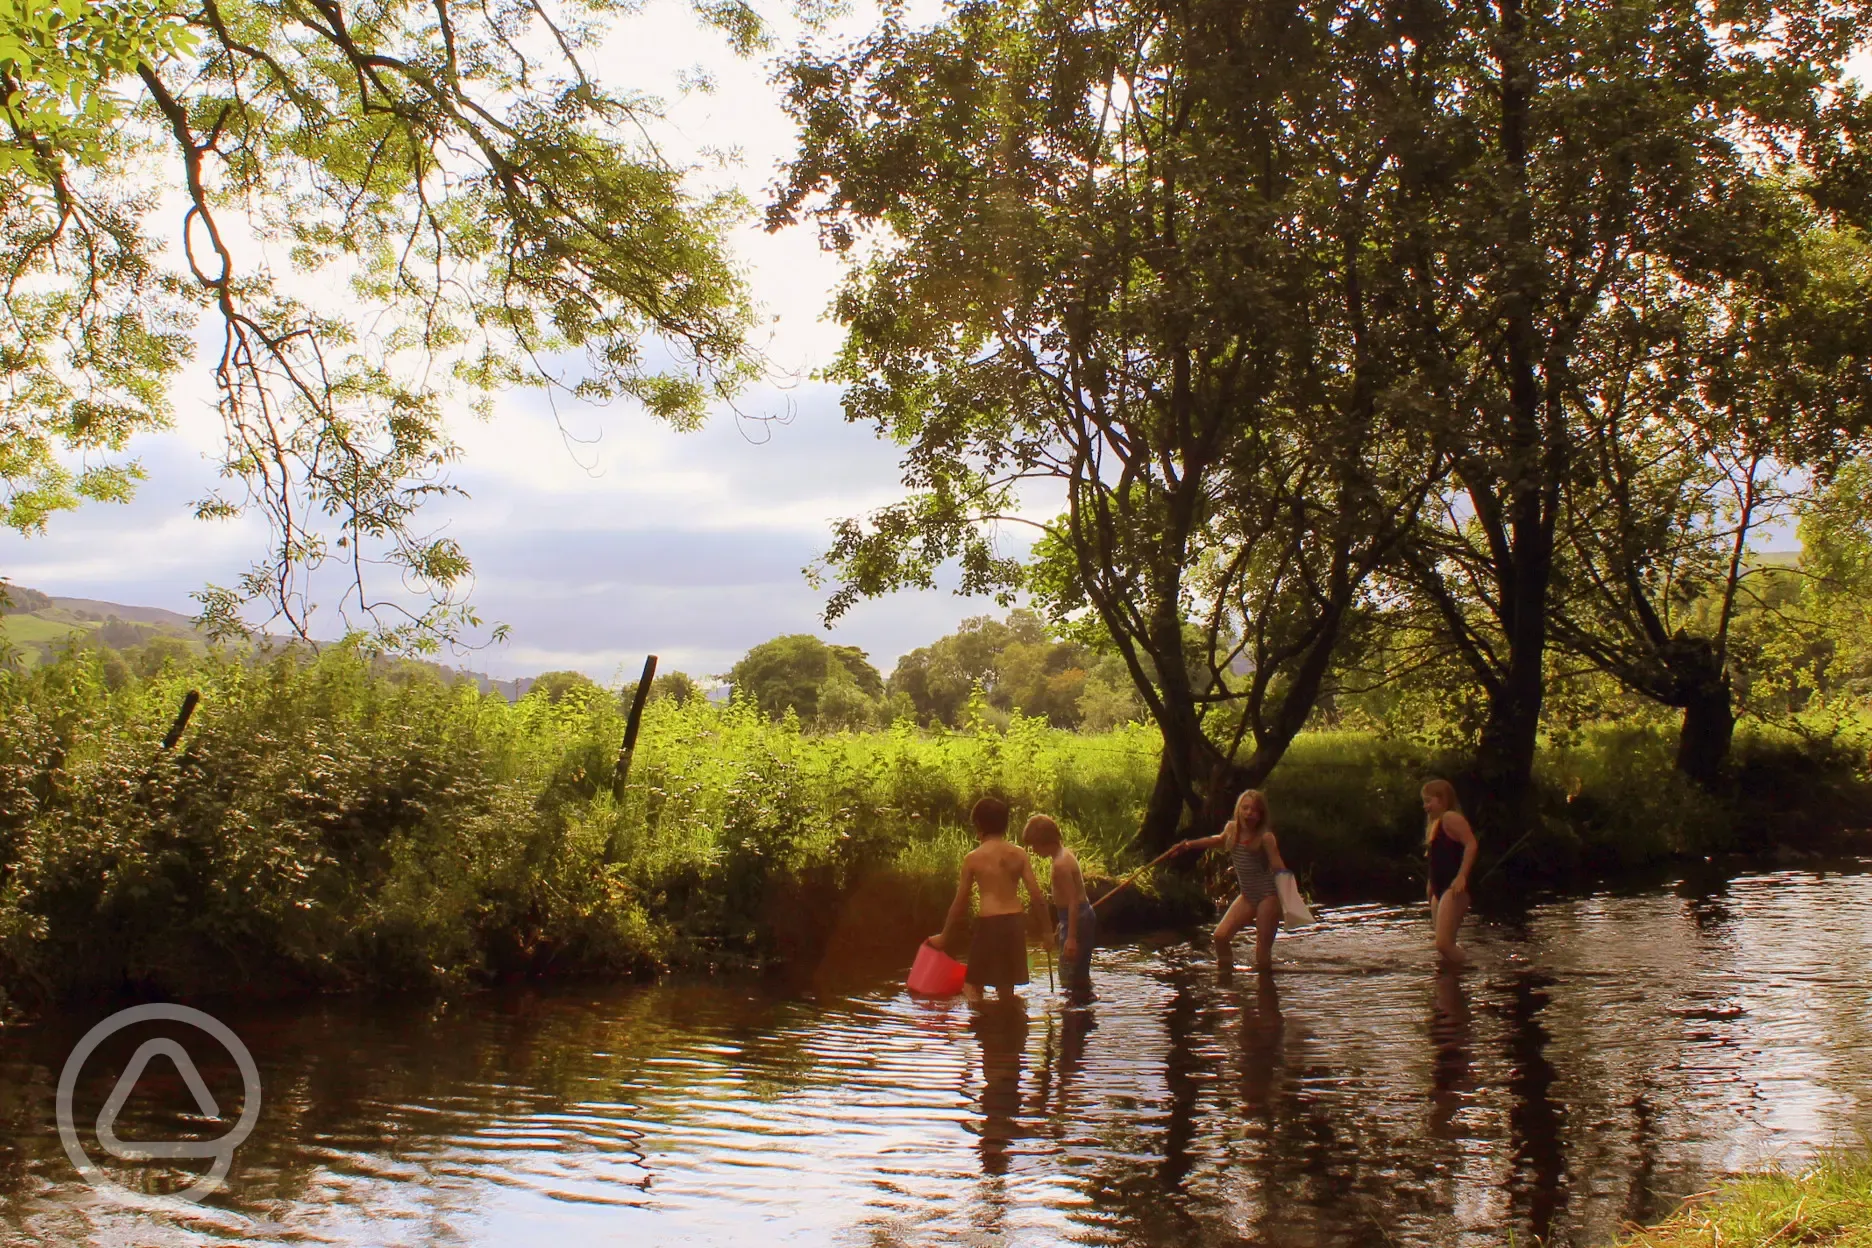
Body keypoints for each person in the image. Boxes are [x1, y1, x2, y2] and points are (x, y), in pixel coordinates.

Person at [929, 797, 1055, 1003]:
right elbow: (1036, 895)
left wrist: (945, 935)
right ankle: (1010, 1026)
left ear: (978, 825)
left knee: (972, 986)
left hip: (988, 925)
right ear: (1005, 824)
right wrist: (1047, 932)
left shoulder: (973, 858)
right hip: (1014, 924)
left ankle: (982, 1026)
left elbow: (960, 901)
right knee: (1006, 990)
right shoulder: (1019, 854)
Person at [1171, 789, 1288, 975]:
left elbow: (1277, 863)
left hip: (1269, 896)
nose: (1249, 813)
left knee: (1262, 950)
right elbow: (1217, 840)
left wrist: (1289, 894)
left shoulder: (1265, 837)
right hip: (1248, 896)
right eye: (1245, 808)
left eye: (1255, 810)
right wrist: (1187, 845)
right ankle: (1225, 975)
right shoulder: (1232, 829)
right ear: (1239, 810)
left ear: (1261, 815)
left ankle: (1265, 990)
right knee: (1220, 936)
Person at [1021, 814, 1095, 1000]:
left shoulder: (1061, 864)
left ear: (1044, 842)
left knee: (1068, 972)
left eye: (1034, 846)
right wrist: (1062, 923)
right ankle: (1081, 1004)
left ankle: (1076, 1015)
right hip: (1075, 916)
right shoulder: (1064, 855)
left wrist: (1070, 937)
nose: (1034, 851)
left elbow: (1073, 901)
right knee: (1077, 970)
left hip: (1076, 918)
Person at [1422, 777, 1479, 966]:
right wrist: (1431, 884)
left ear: (1442, 800)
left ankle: (1473, 967)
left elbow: (1471, 844)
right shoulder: (1434, 825)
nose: (1426, 806)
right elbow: (1435, 859)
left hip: (1454, 887)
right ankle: (1452, 977)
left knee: (1443, 945)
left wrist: (1462, 875)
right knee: (1444, 947)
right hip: (1440, 890)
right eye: (1424, 801)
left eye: (1429, 801)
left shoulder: (1450, 818)